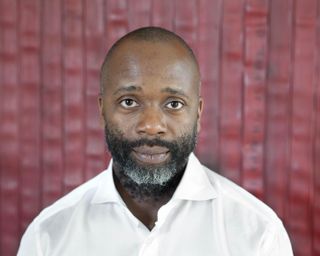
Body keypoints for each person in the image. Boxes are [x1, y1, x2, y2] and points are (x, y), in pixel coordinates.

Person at [17, 27, 293, 255]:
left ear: (198, 112)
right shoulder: (48, 237)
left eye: (173, 103)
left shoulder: (258, 234)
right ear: (102, 111)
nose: (151, 126)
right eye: (129, 102)